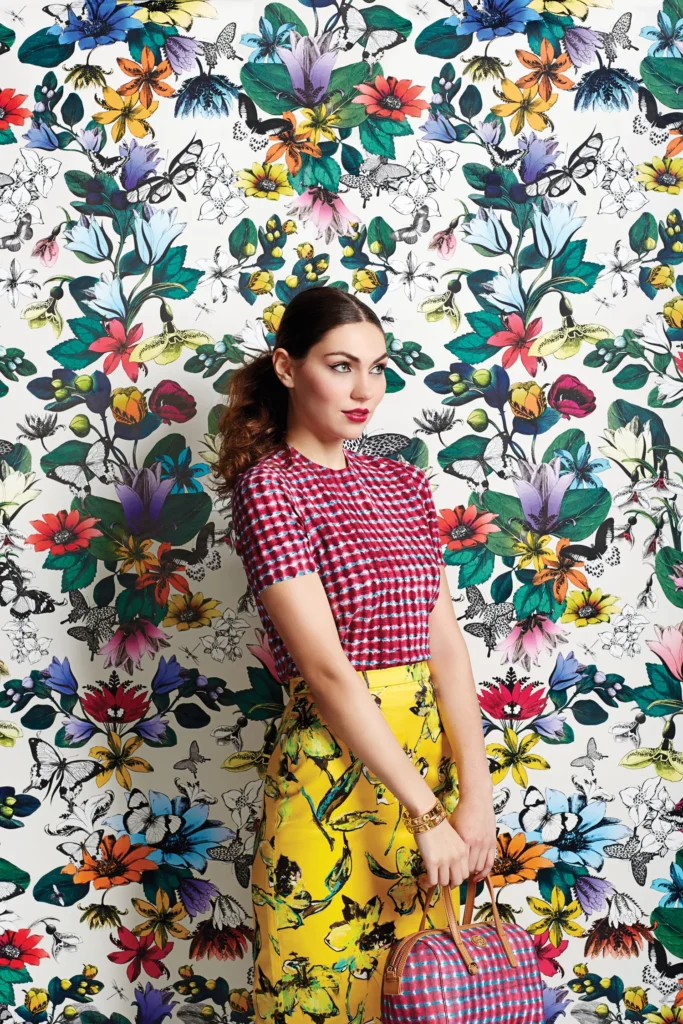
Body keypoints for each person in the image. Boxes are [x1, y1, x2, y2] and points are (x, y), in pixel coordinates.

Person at [212, 285, 496, 1024]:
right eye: (341, 366)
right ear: (285, 367)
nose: (364, 389)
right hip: (333, 771)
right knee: (323, 998)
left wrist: (475, 800)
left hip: (426, 765)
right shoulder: (268, 488)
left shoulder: (402, 481)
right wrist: (427, 814)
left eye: (377, 367)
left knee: (427, 996)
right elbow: (328, 672)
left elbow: (446, 648)